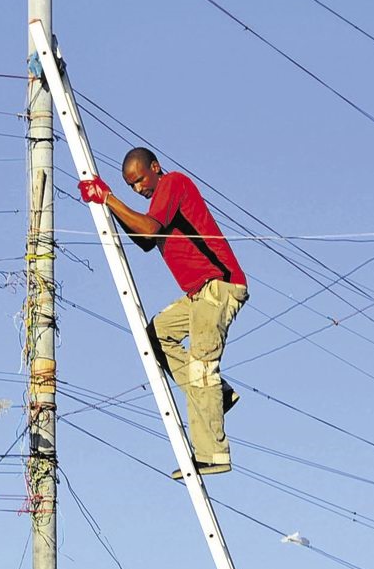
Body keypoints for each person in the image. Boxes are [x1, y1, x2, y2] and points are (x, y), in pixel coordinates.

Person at [79, 148, 248, 478]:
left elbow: (147, 230)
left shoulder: (173, 184)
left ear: (155, 168)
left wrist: (109, 199)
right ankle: (219, 395)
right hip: (198, 294)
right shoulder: (160, 203)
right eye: (131, 186)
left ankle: (214, 454)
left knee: (201, 369)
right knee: (155, 338)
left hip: (218, 286)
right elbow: (144, 240)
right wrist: (109, 205)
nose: (138, 189)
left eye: (140, 179)